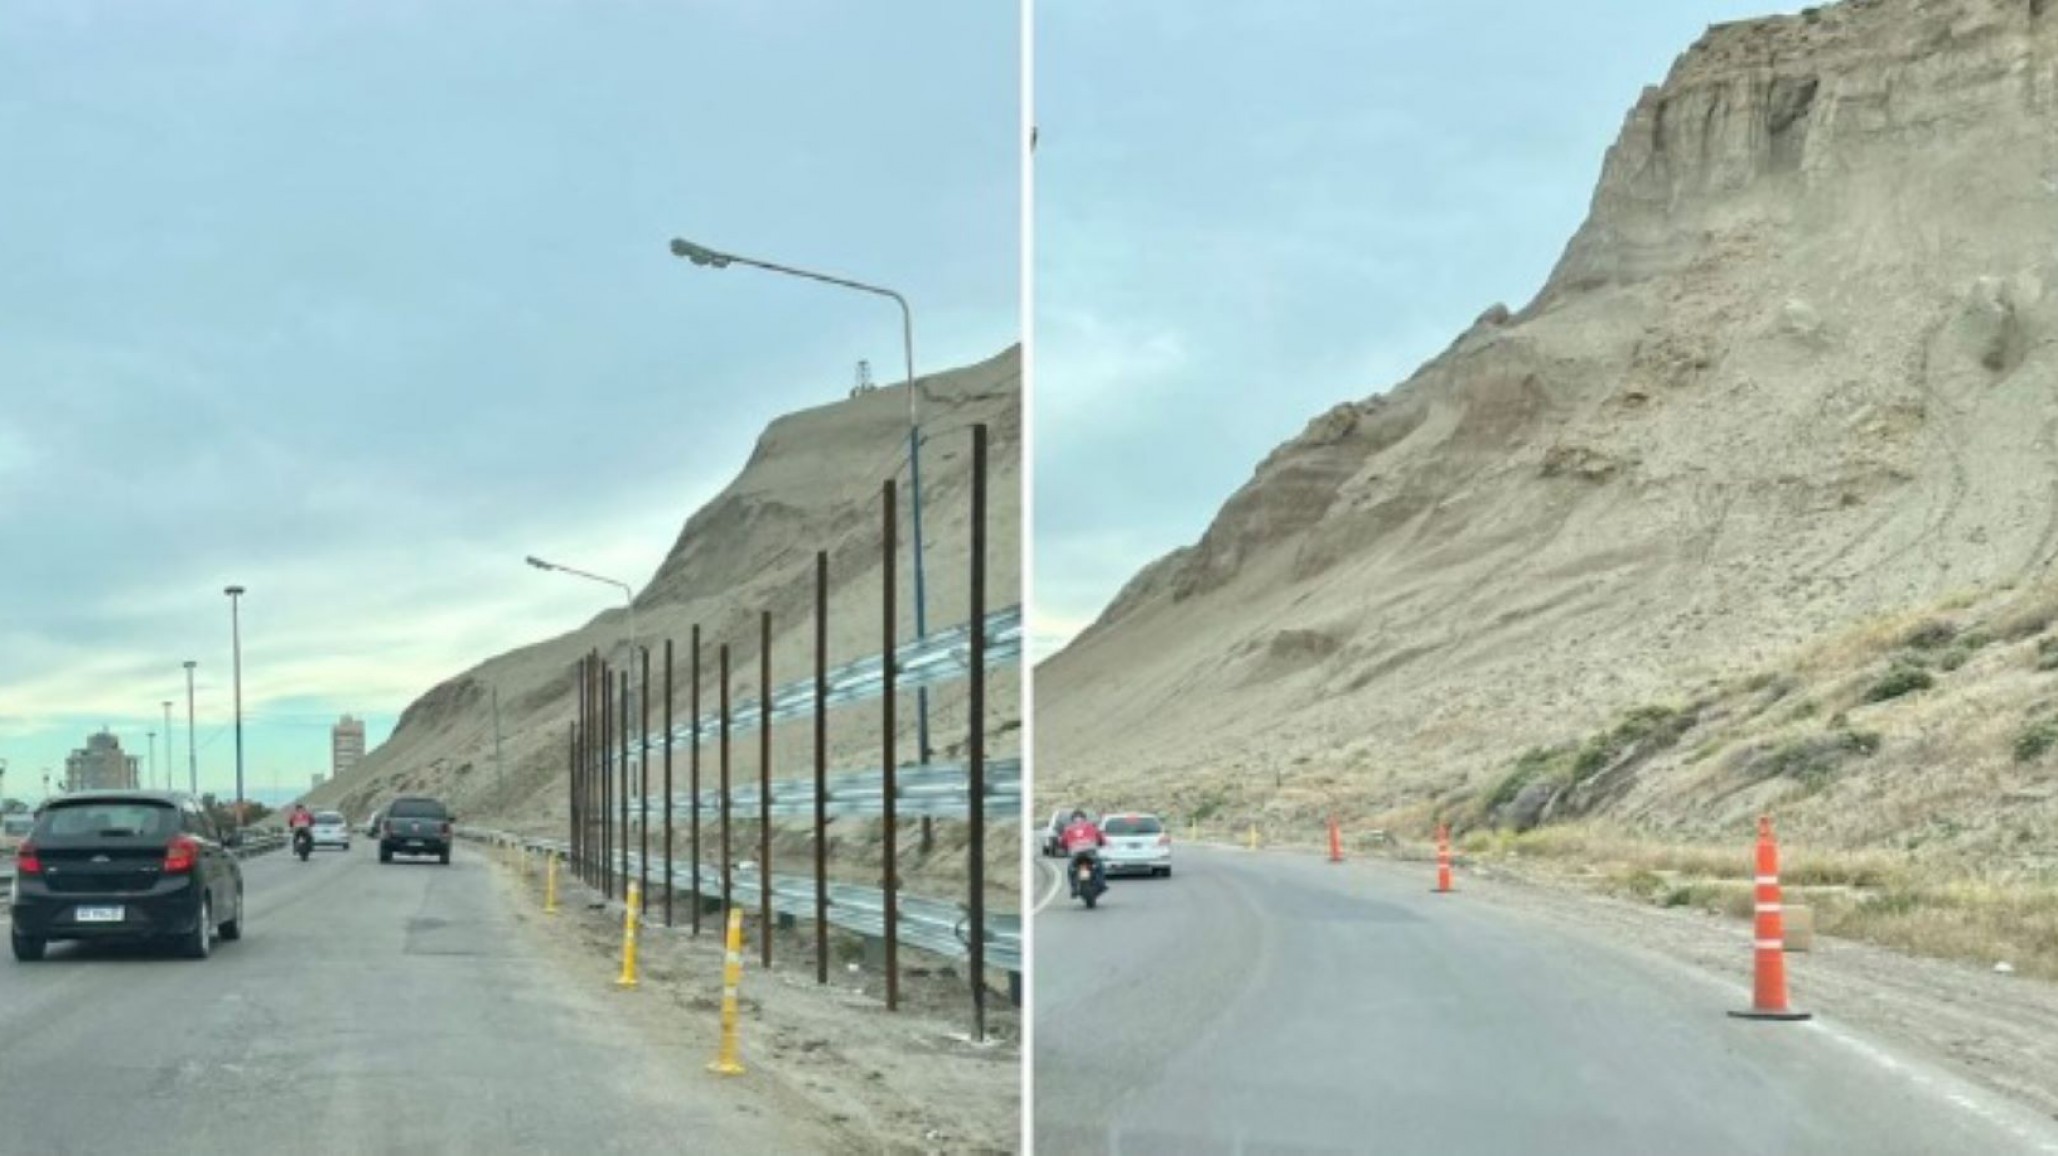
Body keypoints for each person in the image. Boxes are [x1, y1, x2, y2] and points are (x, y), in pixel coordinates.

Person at [1060, 809, 1104, 897]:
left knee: (1071, 869)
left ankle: (1074, 888)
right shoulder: (1091, 826)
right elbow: (1100, 838)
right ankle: (1101, 884)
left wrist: (1065, 847)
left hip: (1076, 854)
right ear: (1084, 818)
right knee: (1099, 866)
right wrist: (1101, 843)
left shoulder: (1068, 829)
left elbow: (1063, 842)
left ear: (1072, 819)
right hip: (1090, 852)